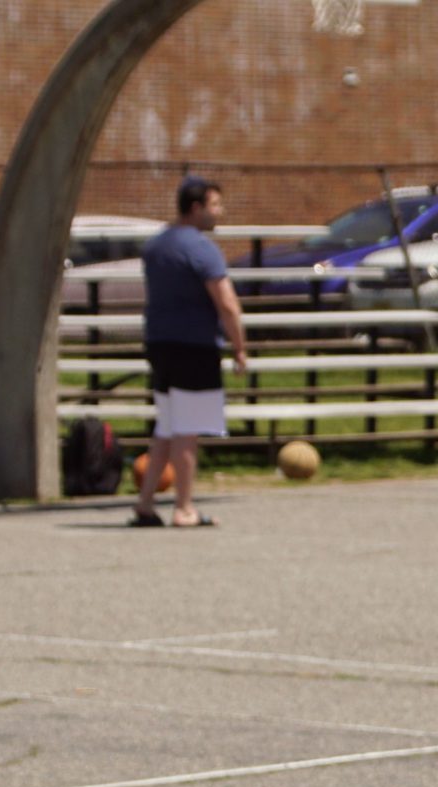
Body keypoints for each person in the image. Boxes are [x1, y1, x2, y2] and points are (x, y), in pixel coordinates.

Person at [133, 175, 247, 528]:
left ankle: (145, 502)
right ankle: (184, 508)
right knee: (188, 430)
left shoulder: (156, 246)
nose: (219, 212)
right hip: (194, 346)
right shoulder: (201, 248)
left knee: (167, 426)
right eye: (215, 205)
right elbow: (226, 303)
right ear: (196, 208)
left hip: (159, 344)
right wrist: (240, 347)